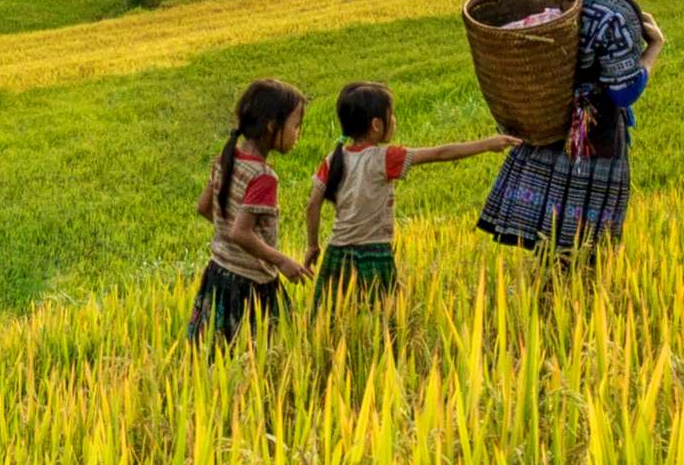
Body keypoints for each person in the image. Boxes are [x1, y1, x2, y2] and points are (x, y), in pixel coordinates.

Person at [478, 0, 662, 258]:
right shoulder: (615, 12)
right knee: (584, 254)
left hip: (550, 129)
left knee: (548, 249)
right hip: (592, 142)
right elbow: (623, 92)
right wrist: (654, 47)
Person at [305, 80, 501, 296]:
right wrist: (487, 144)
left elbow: (312, 204)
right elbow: (440, 154)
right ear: (376, 125)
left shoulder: (332, 159)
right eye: (392, 114)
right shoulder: (386, 157)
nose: (394, 120)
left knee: (334, 312)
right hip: (373, 253)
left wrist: (312, 245)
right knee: (382, 312)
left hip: (337, 253)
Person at [189, 77, 311, 341]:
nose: (298, 133)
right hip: (251, 284)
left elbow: (204, 207)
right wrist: (282, 260)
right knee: (265, 351)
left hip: (218, 273)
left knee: (216, 349)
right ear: (271, 126)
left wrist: (229, 231)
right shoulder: (263, 177)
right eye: (296, 125)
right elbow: (241, 233)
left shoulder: (227, 158)